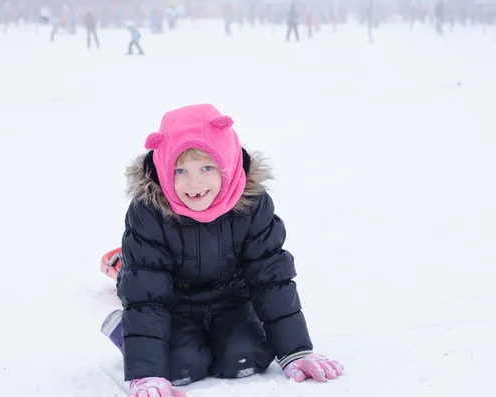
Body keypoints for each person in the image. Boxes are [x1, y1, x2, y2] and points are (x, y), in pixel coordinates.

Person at [101, 104, 344, 397]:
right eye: (179, 170)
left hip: (228, 299)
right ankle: (123, 332)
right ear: (163, 167)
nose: (194, 183)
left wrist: (296, 351)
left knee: (245, 357)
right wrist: (146, 372)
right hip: (173, 304)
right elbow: (146, 295)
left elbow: (271, 278)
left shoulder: (252, 204)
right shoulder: (149, 211)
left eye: (207, 167)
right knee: (180, 367)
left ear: (227, 163)